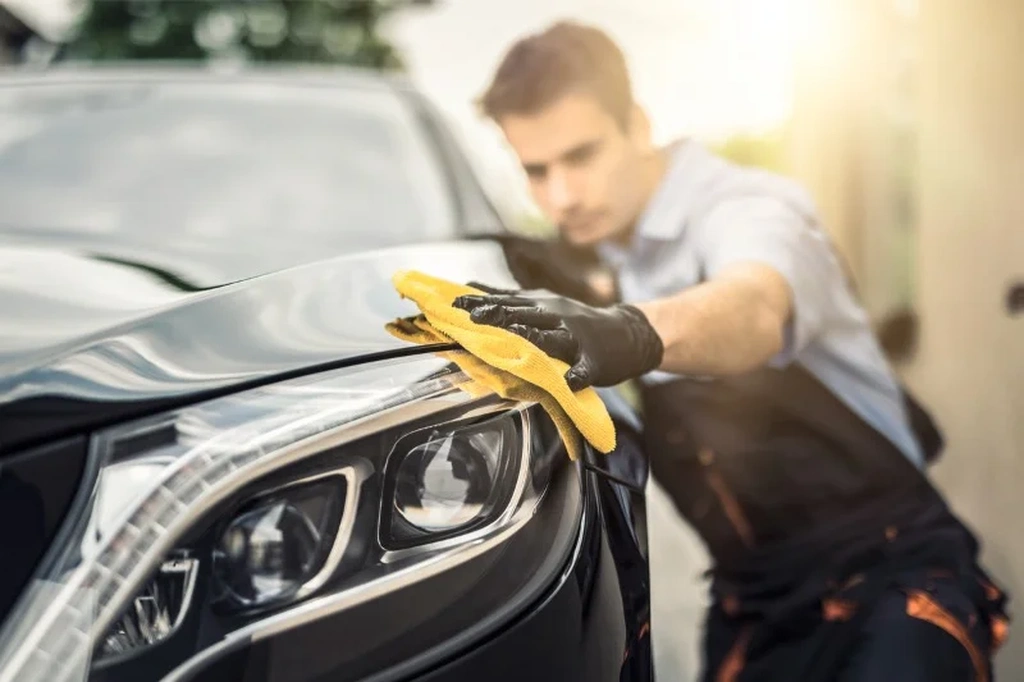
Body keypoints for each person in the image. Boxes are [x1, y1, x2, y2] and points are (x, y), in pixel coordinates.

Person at [456, 20, 1010, 682]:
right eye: (536, 171)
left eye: (581, 156)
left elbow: (753, 307)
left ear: (638, 124)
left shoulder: (747, 206)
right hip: (754, 610)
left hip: (891, 586)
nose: (561, 196)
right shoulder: (610, 252)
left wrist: (630, 331)